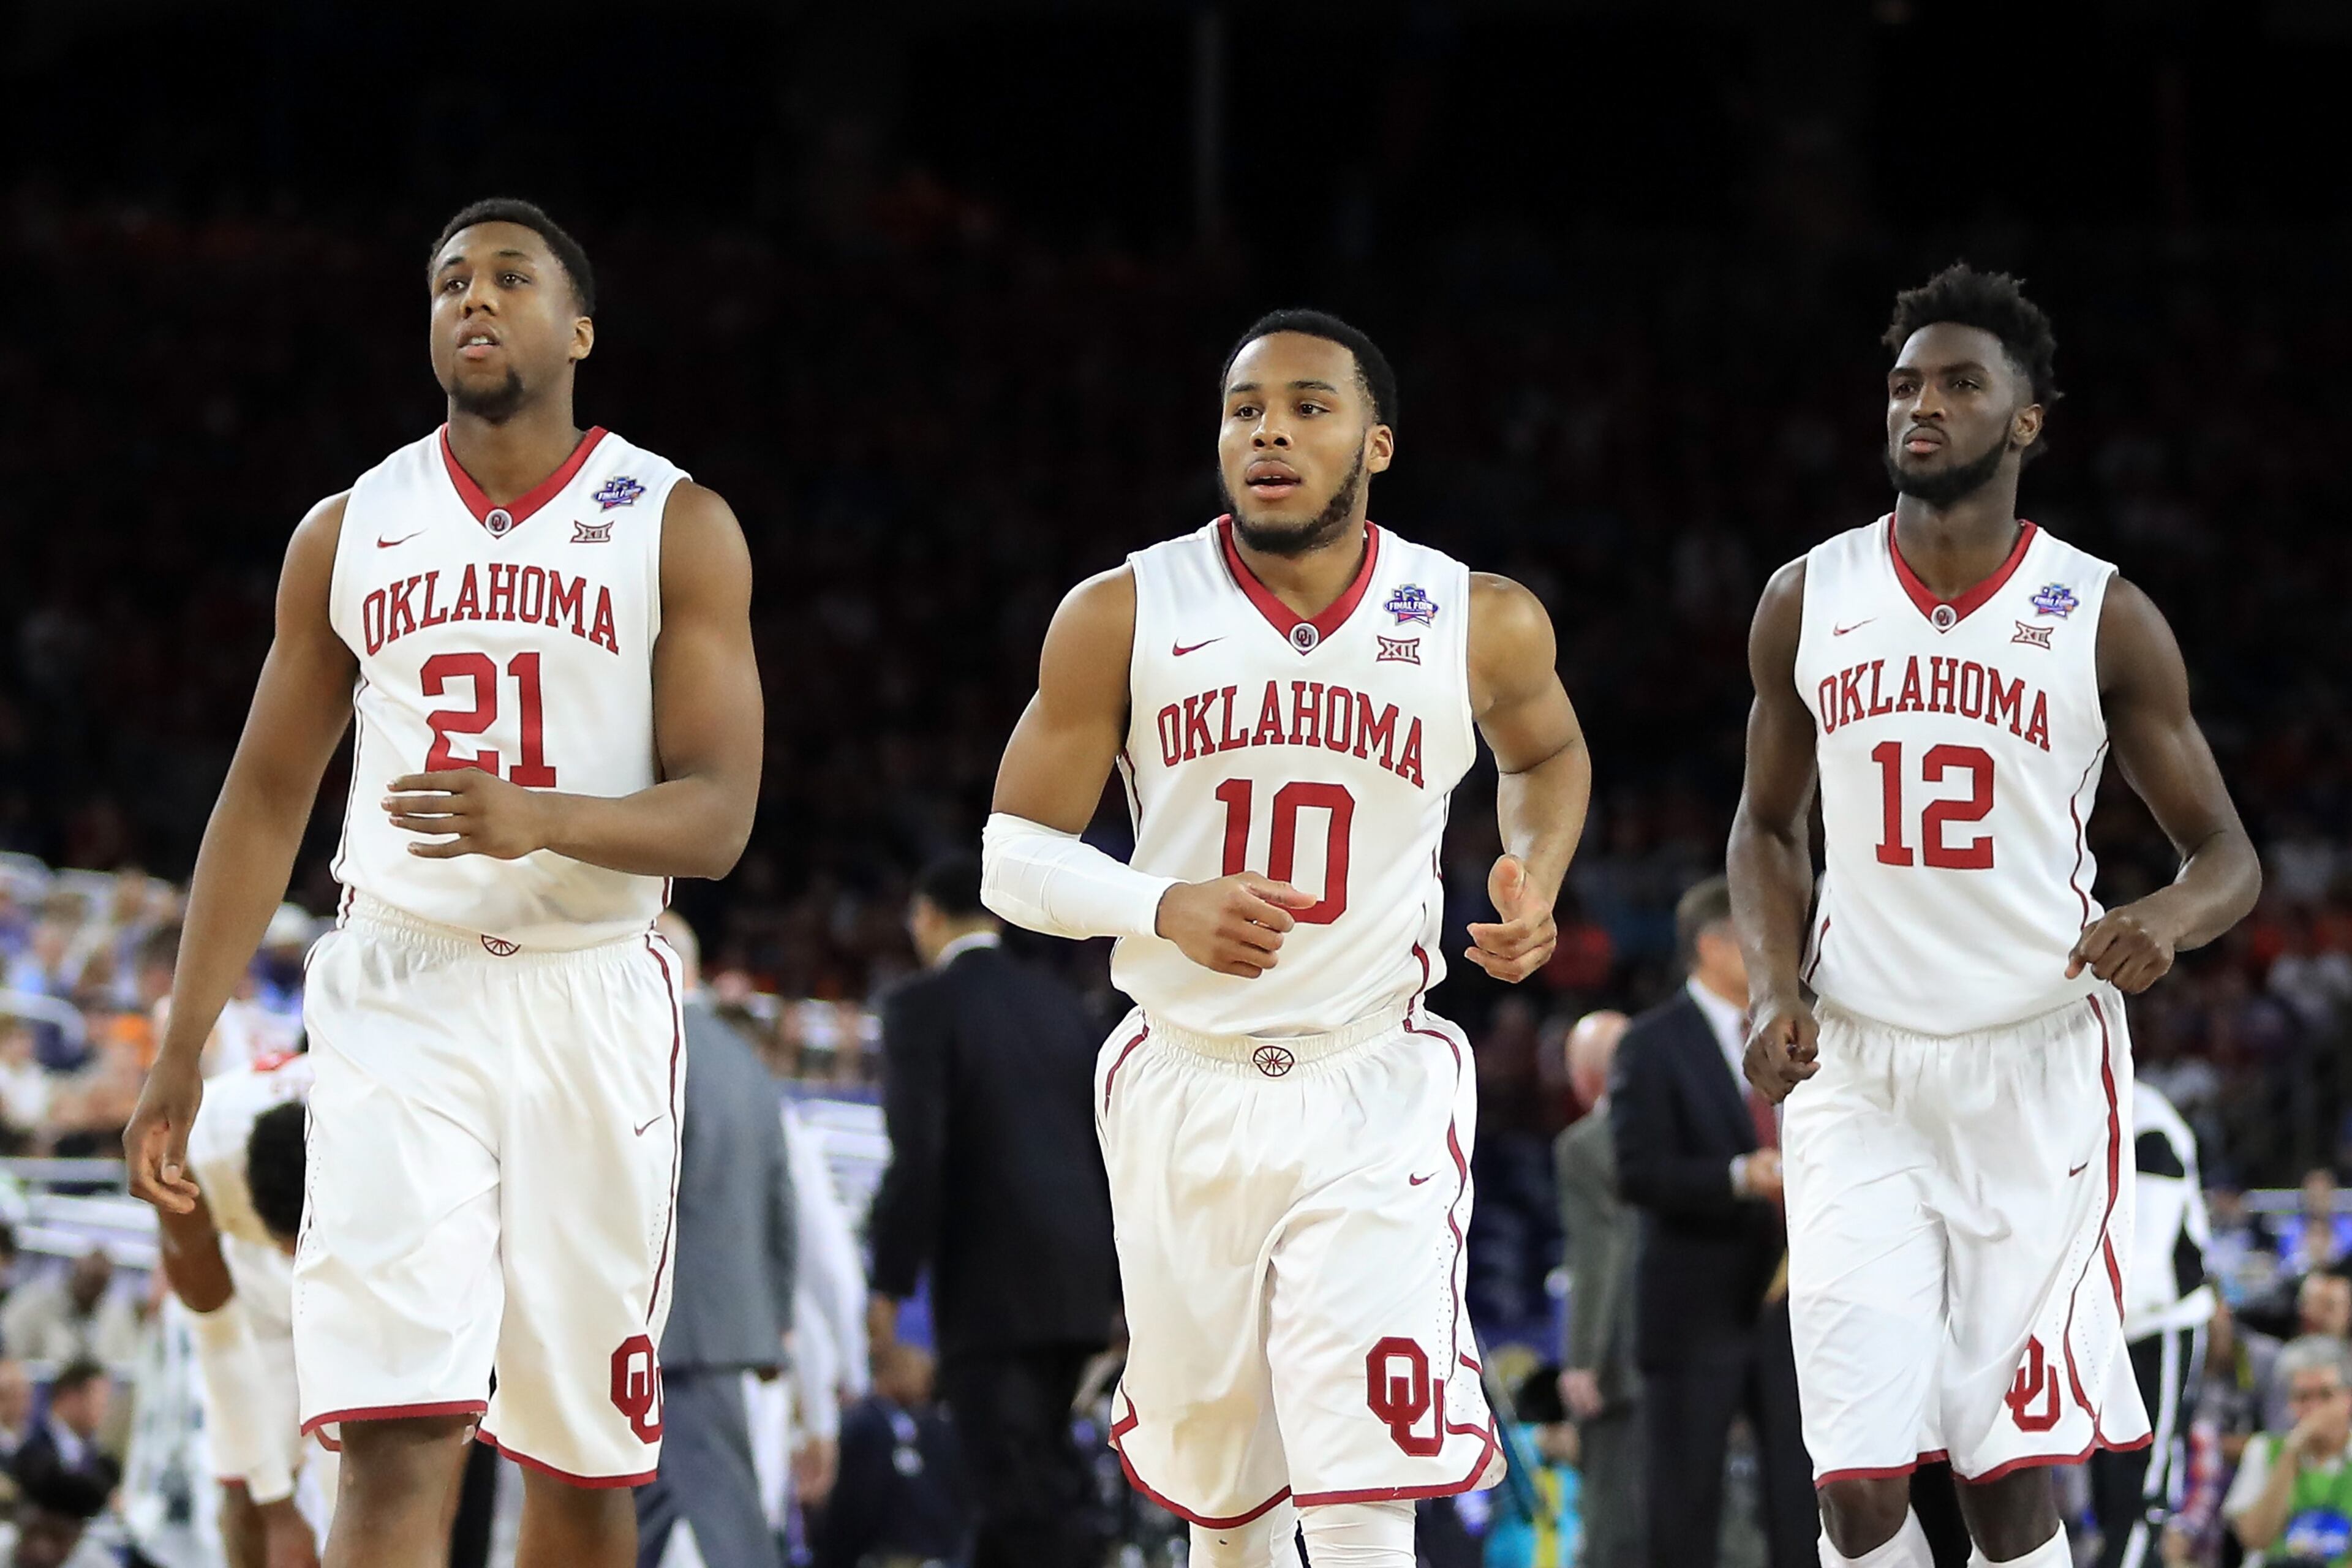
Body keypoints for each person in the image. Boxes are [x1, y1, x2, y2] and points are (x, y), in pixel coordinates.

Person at [121, 196, 764, 1568]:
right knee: (396, 1432)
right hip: (403, 986)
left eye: (509, 277)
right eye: (449, 281)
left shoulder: (675, 521)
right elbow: (264, 795)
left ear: (577, 326)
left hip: (593, 993)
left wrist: (540, 816)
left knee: (579, 1469)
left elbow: (718, 817)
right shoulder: (350, 527)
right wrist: (181, 1043)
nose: (473, 298)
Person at [982, 310, 1591, 1565]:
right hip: (1185, 1081)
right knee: (1230, 1499)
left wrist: (1535, 872)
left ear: (1377, 442)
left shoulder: (1473, 615)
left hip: (1372, 1078)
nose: (1269, 429)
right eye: (1245, 407)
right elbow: (1008, 857)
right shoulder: (1122, 609)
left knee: (1366, 1477)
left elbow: (1547, 751)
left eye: (1309, 406)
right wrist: (1157, 902)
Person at [1732, 263, 2264, 1567]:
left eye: (1963, 384)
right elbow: (1763, 826)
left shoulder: (2102, 615)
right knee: (1855, 1484)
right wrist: (1770, 983)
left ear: (2029, 418)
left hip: (2032, 1064)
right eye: (1907, 383)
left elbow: (2228, 853)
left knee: (2003, 1481)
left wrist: (2168, 919)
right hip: (1859, 1063)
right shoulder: (1808, 596)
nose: (1925, 404)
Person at [865, 853, 1117, 1568]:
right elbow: (1109, 1148)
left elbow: (919, 1156)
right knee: (1031, 1477)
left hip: (991, 1283)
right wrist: (1120, 1290)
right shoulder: (1067, 1010)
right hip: (1079, 1284)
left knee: (1018, 1488)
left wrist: (888, 1284)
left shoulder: (922, 1006)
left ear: (926, 917)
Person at [1609, 876, 1815, 1568]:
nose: (1771, 954)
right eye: (1758, 939)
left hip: (1792, 1302)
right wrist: (1736, 1175)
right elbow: (1636, 1172)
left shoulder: (1793, 1032)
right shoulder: (1650, 1043)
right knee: (1686, 1498)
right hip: (1695, 1302)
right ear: (1714, 944)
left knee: (1802, 1493)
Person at [633, 912, 797, 1568]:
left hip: (673, 1330)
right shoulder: (743, 1058)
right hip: (725, 1323)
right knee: (632, 1514)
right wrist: (776, 1317)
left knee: (729, 1526)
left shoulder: (651, 1045)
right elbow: (781, 1200)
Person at [151, 1049, 325, 1568]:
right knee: (245, 1480)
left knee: (377, 1477)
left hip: (354, 1274)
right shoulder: (187, 1161)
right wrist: (278, 1507)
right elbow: (217, 1338)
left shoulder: (383, 1130)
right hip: (248, 1292)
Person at [2090, 1079, 2217, 1568]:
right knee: (2105, 1486)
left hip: (2157, 1324)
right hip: (2103, 1326)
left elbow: (2144, 1262)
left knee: (2143, 1482)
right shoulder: (2077, 1104)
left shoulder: (2148, 1122)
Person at [1552, 1009, 1641, 1568]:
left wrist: (1583, 1357)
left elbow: (1597, 1253)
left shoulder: (1586, 1146)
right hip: (1712, 1356)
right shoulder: (1696, 1134)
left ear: (1585, 1079)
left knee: (1614, 1529)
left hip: (1624, 1364)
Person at [2223, 1334, 2352, 1566]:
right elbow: (2254, 1538)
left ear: (2348, 1398)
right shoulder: (2263, 1450)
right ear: (2289, 1403)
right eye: (2303, 1397)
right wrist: (2291, 1454)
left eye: (2326, 1395)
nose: (2314, 1408)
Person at [0, 1248, 140, 1367]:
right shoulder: (33, 1305)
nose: (90, 1290)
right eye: (87, 1279)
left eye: (99, 1283)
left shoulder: (118, 1318)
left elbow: (127, 1366)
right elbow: (9, 1351)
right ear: (73, 1272)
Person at [10, 1360, 118, 1498]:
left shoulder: (98, 1458)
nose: (104, 1410)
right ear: (71, 1396)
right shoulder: (33, 1445)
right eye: (99, 1400)